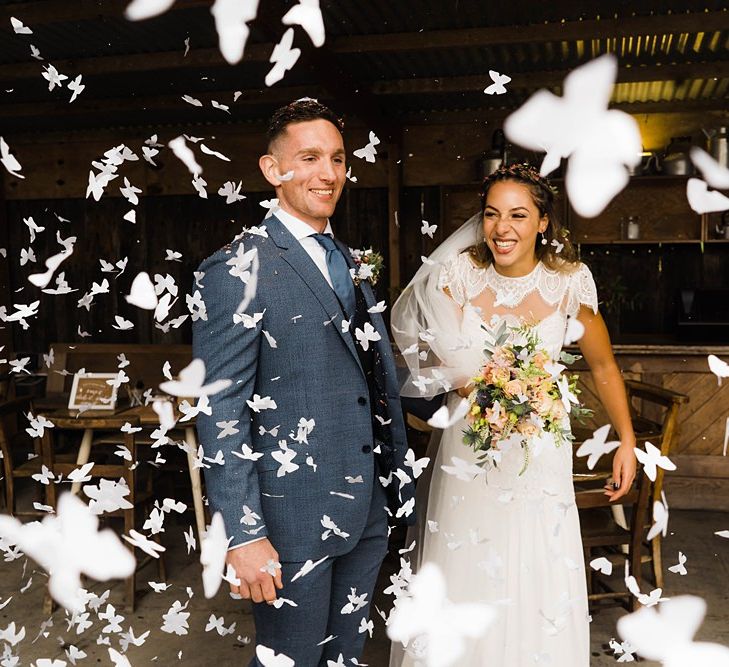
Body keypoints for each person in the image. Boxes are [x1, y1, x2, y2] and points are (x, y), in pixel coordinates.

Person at [193, 99, 415, 666]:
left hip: (366, 507)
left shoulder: (346, 257)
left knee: (346, 657)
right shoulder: (237, 267)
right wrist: (243, 535)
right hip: (290, 520)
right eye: (309, 157)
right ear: (272, 170)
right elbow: (220, 410)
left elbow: (363, 377)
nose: (328, 173)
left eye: (337, 159)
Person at [389, 163, 637, 666]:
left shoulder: (570, 284)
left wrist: (626, 441)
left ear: (543, 222)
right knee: (466, 558)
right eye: (492, 214)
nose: (503, 229)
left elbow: (604, 365)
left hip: (538, 449)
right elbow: (435, 360)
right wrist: (487, 382)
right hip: (469, 447)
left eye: (519, 215)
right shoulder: (457, 274)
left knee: (536, 562)